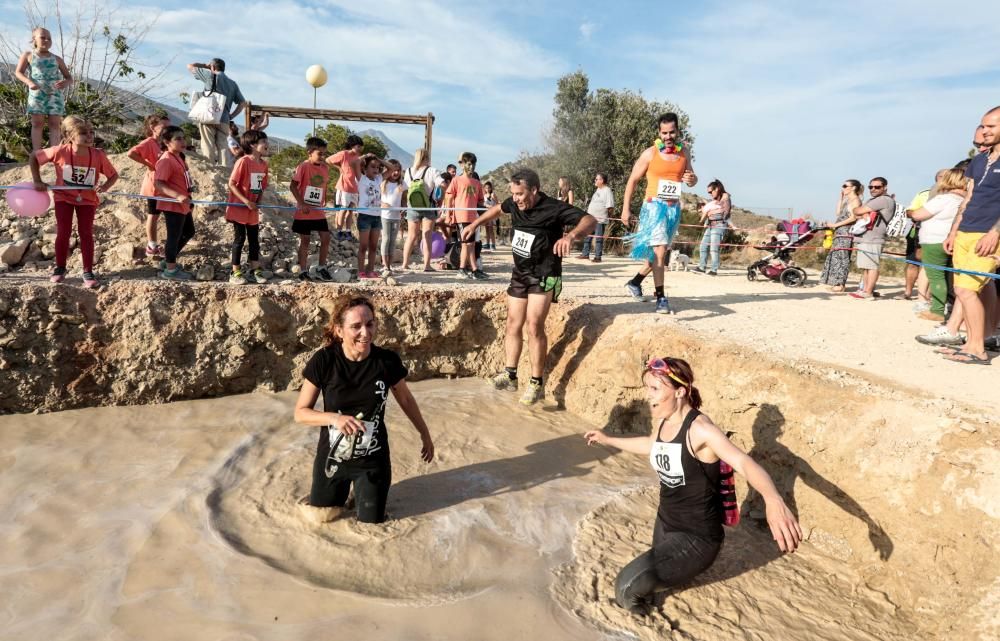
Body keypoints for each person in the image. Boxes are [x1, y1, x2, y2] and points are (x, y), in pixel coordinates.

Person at [583, 357, 801, 615]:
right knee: (640, 581)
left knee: (625, 589)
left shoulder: (701, 430)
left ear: (680, 392)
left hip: (697, 539)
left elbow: (743, 462)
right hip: (665, 523)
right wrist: (609, 439)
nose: (647, 396)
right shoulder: (666, 419)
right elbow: (651, 445)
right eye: (647, 388)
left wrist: (773, 499)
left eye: (654, 389)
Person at [293, 296, 435, 524]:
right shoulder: (324, 361)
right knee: (322, 517)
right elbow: (300, 413)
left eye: (370, 324)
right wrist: (335, 419)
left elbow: (406, 400)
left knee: (371, 525)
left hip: (372, 461)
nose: (365, 333)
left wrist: (424, 434)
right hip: (332, 458)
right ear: (339, 330)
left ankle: (364, 492)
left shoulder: (386, 362)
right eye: (356, 327)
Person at [460, 168, 596, 405]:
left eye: (520, 194)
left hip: (545, 273)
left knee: (534, 326)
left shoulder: (553, 207)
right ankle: (510, 375)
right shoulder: (514, 204)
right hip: (520, 273)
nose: (516, 199)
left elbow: (590, 220)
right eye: (513, 193)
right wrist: (475, 224)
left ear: (534, 190)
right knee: (513, 323)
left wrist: (571, 236)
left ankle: (536, 383)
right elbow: (497, 209)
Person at [29, 115, 118, 288]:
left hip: (87, 200)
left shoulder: (98, 155)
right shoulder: (59, 151)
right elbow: (34, 157)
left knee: (86, 233)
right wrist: (37, 180)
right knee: (64, 232)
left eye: (91, 132)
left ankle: (87, 271)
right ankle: (60, 268)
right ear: (70, 135)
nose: (90, 136)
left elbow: (113, 175)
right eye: (83, 133)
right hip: (64, 198)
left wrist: (106, 186)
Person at [622, 113, 698, 314]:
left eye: (671, 132)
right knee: (660, 251)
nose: (668, 136)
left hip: (673, 209)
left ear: (677, 131)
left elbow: (690, 176)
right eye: (664, 133)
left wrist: (692, 179)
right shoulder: (650, 153)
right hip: (654, 207)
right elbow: (632, 180)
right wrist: (625, 209)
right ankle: (661, 297)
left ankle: (634, 282)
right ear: (659, 133)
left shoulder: (684, 153)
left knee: (658, 255)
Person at [941, 106, 1000, 364]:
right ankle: (979, 338)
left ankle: (977, 348)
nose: (985, 131)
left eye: (991, 126)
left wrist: (995, 233)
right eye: (983, 126)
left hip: (988, 233)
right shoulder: (978, 161)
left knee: (964, 290)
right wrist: (954, 231)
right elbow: (969, 197)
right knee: (976, 287)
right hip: (966, 231)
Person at [908, 168, 966, 322]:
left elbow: (917, 214)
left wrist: (910, 212)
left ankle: (937, 310)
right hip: (952, 241)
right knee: (948, 276)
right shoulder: (964, 200)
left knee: (935, 276)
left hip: (934, 241)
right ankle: (948, 306)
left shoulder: (944, 199)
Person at [14, 27, 72, 151]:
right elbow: (18, 72)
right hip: (37, 94)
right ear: (34, 39)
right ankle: (37, 153)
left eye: (49, 38)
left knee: (55, 124)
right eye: (42, 37)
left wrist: (65, 83)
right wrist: (29, 82)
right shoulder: (28, 55)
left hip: (55, 95)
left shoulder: (57, 59)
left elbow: (69, 78)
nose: (46, 40)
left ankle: (54, 152)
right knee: (37, 123)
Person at [226, 130, 270, 285]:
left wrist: (259, 200)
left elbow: (261, 186)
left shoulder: (264, 164)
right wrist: (245, 201)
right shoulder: (243, 161)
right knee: (239, 239)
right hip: (240, 207)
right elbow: (232, 184)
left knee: (254, 240)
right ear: (252, 145)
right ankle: (235, 271)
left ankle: (254, 270)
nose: (267, 144)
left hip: (253, 209)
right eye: (263, 142)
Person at [154, 126, 196, 281]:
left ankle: (168, 261)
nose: (183, 141)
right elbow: (159, 183)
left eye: (183, 138)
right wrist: (177, 195)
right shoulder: (165, 160)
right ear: (166, 142)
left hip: (183, 204)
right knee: (174, 236)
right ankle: (171, 270)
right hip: (172, 205)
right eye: (178, 139)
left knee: (189, 232)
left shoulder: (178, 157)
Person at [187, 58, 247, 166]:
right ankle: (225, 169)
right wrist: (232, 115)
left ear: (213, 67)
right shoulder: (232, 84)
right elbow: (242, 103)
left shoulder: (210, 76)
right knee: (223, 145)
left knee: (207, 143)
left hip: (208, 115)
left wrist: (206, 66)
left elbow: (190, 66)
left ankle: (210, 168)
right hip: (224, 118)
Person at [290, 137, 334, 282]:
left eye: (324, 154)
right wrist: (301, 203)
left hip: (318, 211)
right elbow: (293, 186)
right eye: (319, 153)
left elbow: (324, 186)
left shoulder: (325, 168)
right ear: (310, 152)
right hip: (304, 211)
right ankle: (303, 270)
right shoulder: (303, 166)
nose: (323, 157)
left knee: (326, 237)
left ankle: (321, 268)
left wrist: (325, 200)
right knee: (305, 240)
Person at [127, 113, 170, 258]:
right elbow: (131, 153)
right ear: (153, 127)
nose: (167, 129)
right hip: (153, 185)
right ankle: (152, 245)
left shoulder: (163, 143)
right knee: (153, 215)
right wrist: (149, 164)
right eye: (164, 126)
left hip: (164, 185)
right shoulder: (149, 142)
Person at [846, 177, 895, 300]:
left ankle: (868, 292)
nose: (873, 189)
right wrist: (862, 212)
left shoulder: (883, 200)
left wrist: (862, 212)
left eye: (877, 187)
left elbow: (857, 210)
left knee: (872, 266)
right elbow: (857, 212)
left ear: (884, 188)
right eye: (871, 187)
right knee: (866, 266)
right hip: (867, 237)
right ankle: (866, 289)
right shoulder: (875, 200)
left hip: (873, 238)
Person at [444, 152, 487, 280]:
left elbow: (480, 201)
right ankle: (462, 269)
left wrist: (486, 214)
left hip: (473, 218)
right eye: (468, 163)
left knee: (471, 244)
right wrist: (448, 215)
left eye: (473, 163)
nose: (471, 166)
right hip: (461, 216)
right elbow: (449, 198)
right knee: (465, 244)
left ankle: (474, 270)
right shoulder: (456, 180)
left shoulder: (477, 183)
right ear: (462, 165)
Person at [400, 148, 439, 272]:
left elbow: (404, 188)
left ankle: (405, 263)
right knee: (427, 236)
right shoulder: (432, 171)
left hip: (412, 206)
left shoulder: (409, 171)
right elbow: (442, 184)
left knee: (411, 236)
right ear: (427, 157)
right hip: (428, 206)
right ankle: (427, 266)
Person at [821, 180, 863, 292]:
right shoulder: (847, 200)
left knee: (843, 257)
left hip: (846, 232)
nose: (842, 188)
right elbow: (838, 213)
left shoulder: (856, 201)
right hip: (840, 231)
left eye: (845, 186)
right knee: (836, 256)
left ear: (853, 188)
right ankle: (835, 282)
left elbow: (853, 218)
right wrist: (841, 198)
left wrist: (835, 225)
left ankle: (840, 284)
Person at [327, 134, 364, 241]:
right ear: (352, 145)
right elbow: (328, 160)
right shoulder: (344, 154)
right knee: (342, 210)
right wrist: (339, 167)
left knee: (350, 210)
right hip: (344, 187)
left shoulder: (357, 157)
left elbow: (358, 173)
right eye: (358, 146)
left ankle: (348, 231)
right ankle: (338, 231)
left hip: (354, 187)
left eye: (361, 146)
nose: (360, 148)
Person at [693, 179, 731, 275]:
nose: (710, 194)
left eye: (711, 191)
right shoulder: (716, 200)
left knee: (714, 248)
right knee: (703, 246)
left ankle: (714, 269)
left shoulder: (725, 197)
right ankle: (702, 267)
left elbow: (726, 213)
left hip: (719, 224)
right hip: (711, 224)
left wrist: (712, 211)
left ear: (717, 189)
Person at [356, 155, 385, 279]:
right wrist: (365, 156)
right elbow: (354, 163)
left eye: (378, 167)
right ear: (365, 168)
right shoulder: (361, 179)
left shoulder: (378, 179)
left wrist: (379, 160)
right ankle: (361, 271)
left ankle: (370, 270)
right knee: (363, 246)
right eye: (372, 167)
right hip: (364, 216)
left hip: (377, 217)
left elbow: (392, 168)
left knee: (373, 246)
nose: (376, 169)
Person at [578, 172, 615, 262]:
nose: (595, 180)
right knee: (588, 236)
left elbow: (610, 207)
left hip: (600, 219)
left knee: (598, 238)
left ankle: (598, 257)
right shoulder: (598, 190)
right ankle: (585, 254)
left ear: (602, 180)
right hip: (591, 219)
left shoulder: (607, 190)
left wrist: (607, 217)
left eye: (596, 179)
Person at [380, 159, 404, 276]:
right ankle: (385, 265)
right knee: (386, 239)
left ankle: (389, 265)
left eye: (398, 170)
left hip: (396, 217)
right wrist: (382, 204)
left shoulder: (401, 184)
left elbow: (404, 198)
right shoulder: (382, 182)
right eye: (394, 170)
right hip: (385, 216)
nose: (396, 173)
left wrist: (404, 208)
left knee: (393, 241)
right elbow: (375, 197)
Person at [483, 180, 499, 251]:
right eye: (486, 188)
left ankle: (493, 245)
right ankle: (487, 244)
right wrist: (486, 205)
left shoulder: (493, 194)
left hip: (492, 214)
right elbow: (483, 204)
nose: (487, 189)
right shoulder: (484, 196)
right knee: (487, 229)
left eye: (489, 188)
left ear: (491, 188)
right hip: (486, 214)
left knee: (491, 230)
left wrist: (492, 202)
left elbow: (497, 203)